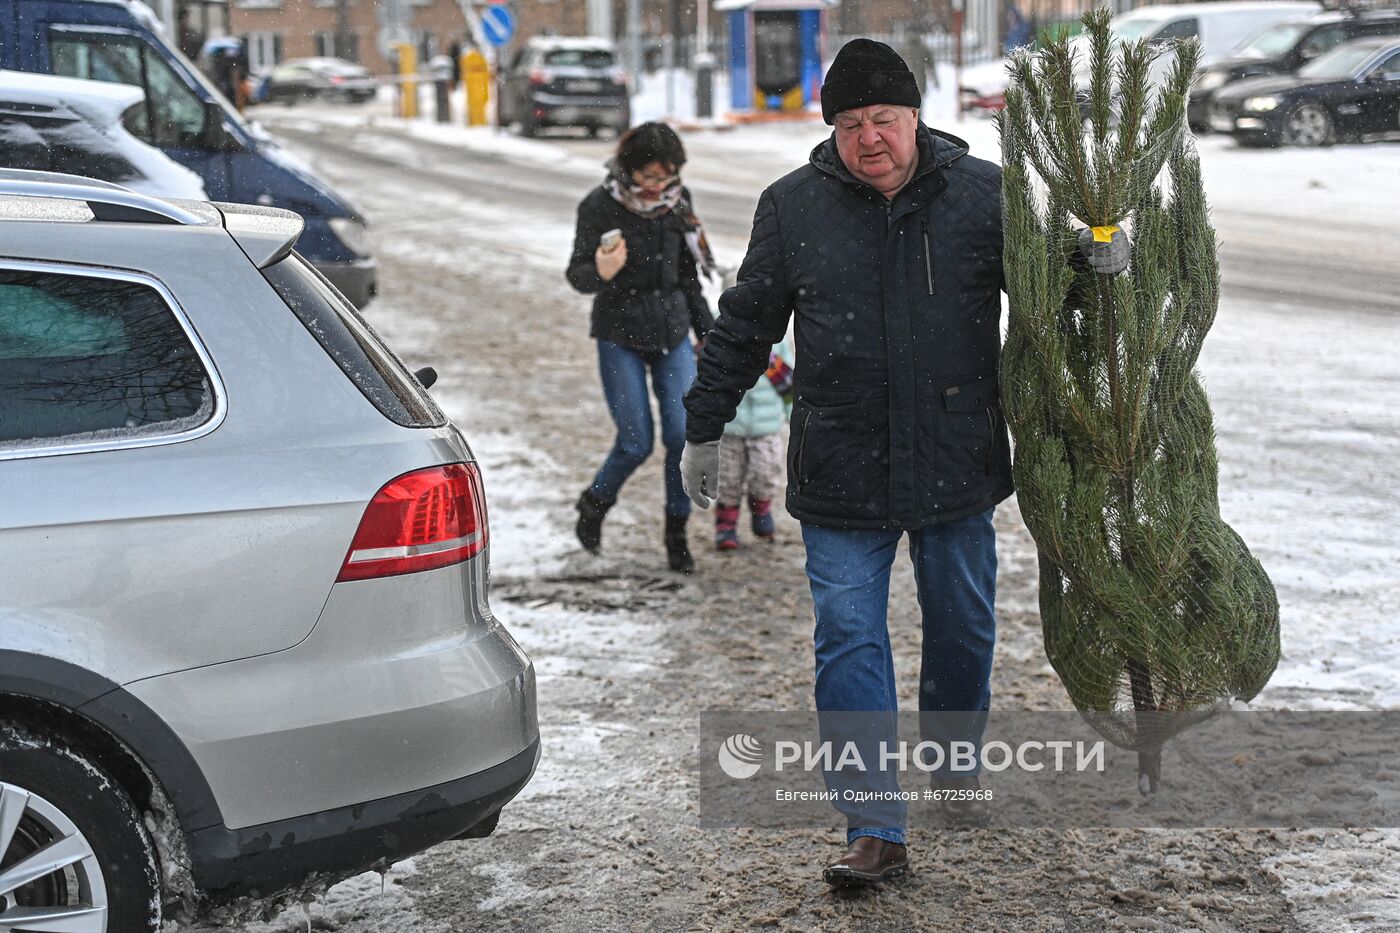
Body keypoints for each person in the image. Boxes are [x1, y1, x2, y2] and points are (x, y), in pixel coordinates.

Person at [681, 37, 1011, 888]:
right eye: (854, 123)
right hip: (842, 461)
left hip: (956, 454)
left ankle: (954, 760)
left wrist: (1099, 260)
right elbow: (745, 322)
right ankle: (875, 825)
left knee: (965, 627)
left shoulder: (983, 196)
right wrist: (704, 425)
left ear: (916, 117)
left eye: (886, 119)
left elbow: (1057, 296)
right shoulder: (793, 207)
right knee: (850, 638)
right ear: (832, 130)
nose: (871, 138)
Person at [567, 122, 716, 573]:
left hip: (672, 331)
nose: (657, 188)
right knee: (635, 442)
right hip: (619, 333)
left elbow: (689, 275)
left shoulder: (678, 204)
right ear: (628, 171)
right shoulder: (598, 205)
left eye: (666, 178)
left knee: (680, 436)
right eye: (648, 178)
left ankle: (677, 533)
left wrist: (706, 330)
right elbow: (578, 277)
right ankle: (594, 504)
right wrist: (601, 269)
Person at [714, 335, 792, 550]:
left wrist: (793, 415)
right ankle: (726, 525)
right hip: (730, 425)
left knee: (765, 473)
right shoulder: (722, 339)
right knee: (728, 477)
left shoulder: (776, 344)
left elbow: (789, 386)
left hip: (765, 428)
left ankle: (760, 506)